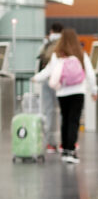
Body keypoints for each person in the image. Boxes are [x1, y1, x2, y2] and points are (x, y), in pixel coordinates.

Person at [32, 28, 98, 164]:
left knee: (65, 120)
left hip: (62, 92)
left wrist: (36, 78)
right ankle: (70, 151)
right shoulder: (81, 54)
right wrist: (94, 90)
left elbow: (48, 71)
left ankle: (64, 150)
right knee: (74, 121)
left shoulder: (57, 55)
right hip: (78, 91)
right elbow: (90, 74)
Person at [36, 23, 62, 153]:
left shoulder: (48, 44)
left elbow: (42, 59)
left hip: (49, 81)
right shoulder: (64, 44)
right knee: (63, 112)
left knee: (48, 111)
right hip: (60, 82)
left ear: (51, 31)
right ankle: (63, 142)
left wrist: (37, 77)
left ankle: (51, 143)